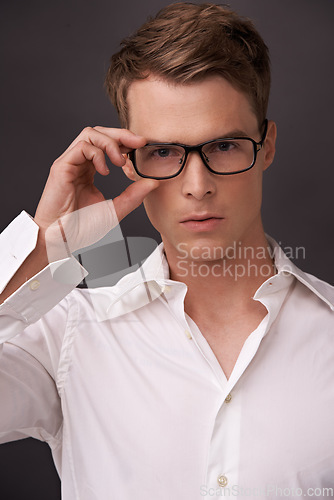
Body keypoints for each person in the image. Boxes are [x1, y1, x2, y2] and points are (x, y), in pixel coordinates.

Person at [0, 3, 333, 499]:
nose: (197, 186)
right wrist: (43, 244)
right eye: (162, 152)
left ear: (266, 146)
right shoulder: (66, 335)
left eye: (223, 146)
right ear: (129, 163)